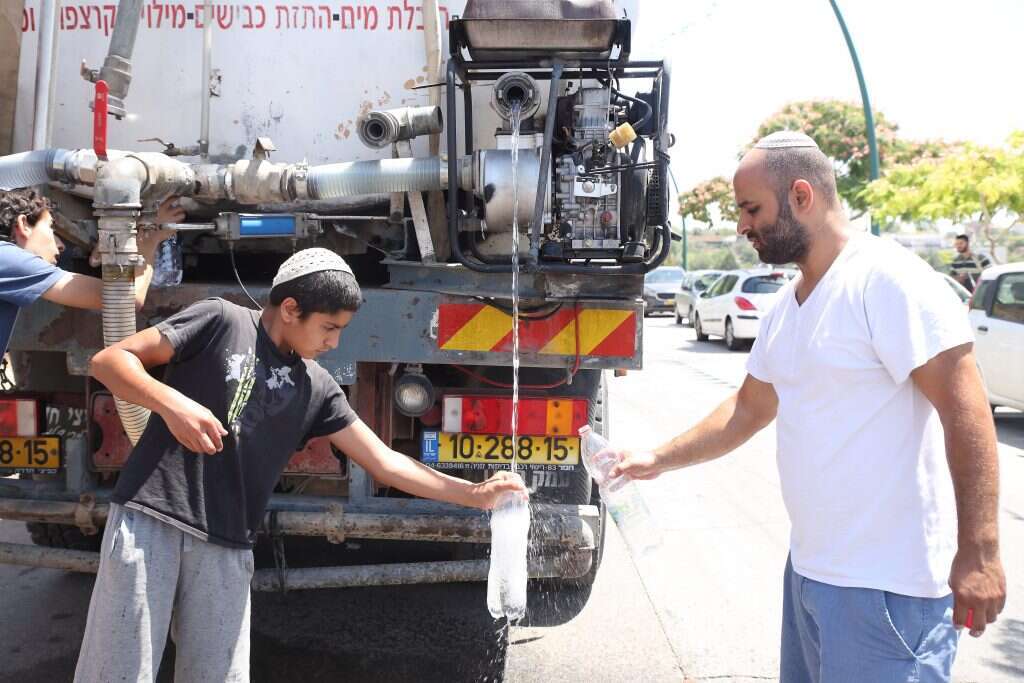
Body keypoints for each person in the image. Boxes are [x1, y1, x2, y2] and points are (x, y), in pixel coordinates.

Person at [610, 132, 1005, 682]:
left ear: (801, 196)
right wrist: (658, 459)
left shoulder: (887, 280)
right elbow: (747, 409)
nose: (742, 226)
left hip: (888, 591)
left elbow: (967, 412)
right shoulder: (786, 307)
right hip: (811, 576)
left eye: (751, 209)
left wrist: (981, 551)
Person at [75, 248, 527, 682]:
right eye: (329, 328)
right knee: (117, 670)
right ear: (290, 308)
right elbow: (109, 361)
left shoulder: (317, 387)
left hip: (228, 542)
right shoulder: (219, 319)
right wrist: (173, 405)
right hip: (151, 517)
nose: (334, 342)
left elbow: (385, 462)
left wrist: (472, 494)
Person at [0, 188, 182, 357]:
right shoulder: (8, 260)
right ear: (23, 224)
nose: (60, 245)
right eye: (50, 228)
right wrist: (150, 240)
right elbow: (124, 298)